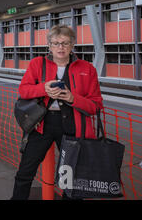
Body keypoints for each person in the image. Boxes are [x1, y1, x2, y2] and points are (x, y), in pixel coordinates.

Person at [11, 24, 103, 200]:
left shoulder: (87, 68)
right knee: (25, 172)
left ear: (72, 45)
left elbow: (96, 105)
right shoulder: (37, 63)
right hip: (41, 124)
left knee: (73, 179)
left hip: (73, 127)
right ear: (49, 45)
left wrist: (72, 98)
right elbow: (23, 91)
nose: (60, 47)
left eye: (65, 43)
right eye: (56, 43)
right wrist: (43, 89)